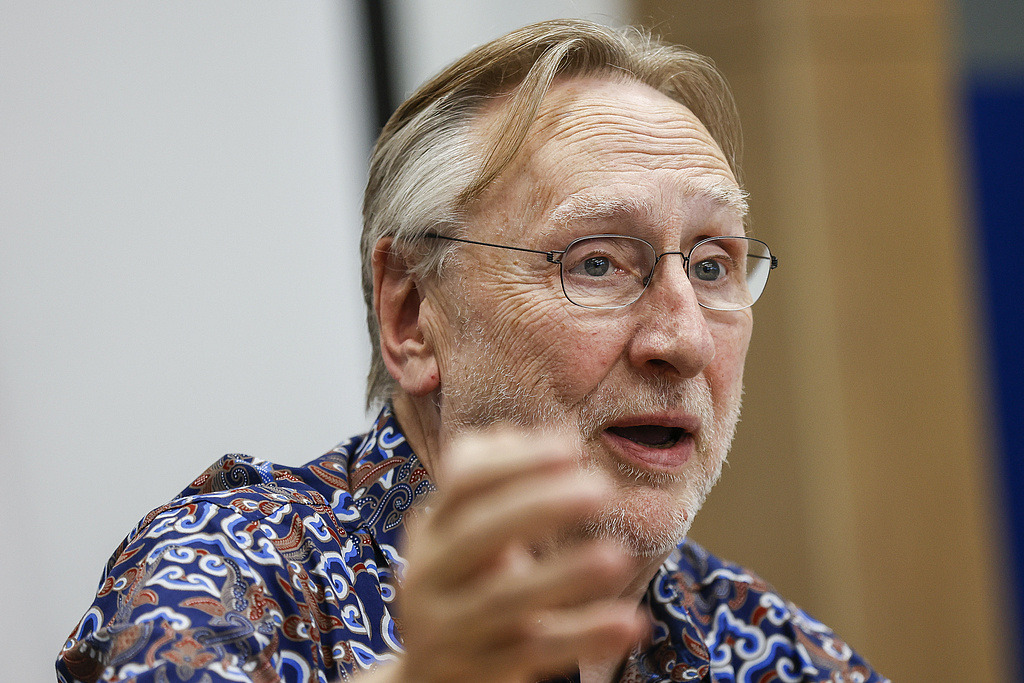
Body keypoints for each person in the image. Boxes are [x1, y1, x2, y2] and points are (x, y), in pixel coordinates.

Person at [57, 19, 887, 683]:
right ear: (412, 313)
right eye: (597, 262)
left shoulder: (772, 648)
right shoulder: (233, 570)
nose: (685, 338)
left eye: (712, 266)